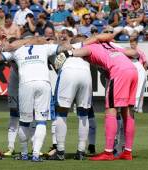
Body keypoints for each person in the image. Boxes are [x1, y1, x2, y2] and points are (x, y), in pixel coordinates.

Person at [55, 33, 139, 161]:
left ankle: (108, 152)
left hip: (119, 72)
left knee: (111, 109)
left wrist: (68, 54)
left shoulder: (90, 46)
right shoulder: (111, 45)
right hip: (132, 70)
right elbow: (133, 53)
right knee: (128, 111)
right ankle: (127, 152)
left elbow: (82, 51)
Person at [0, 38, 67, 162]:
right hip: (43, 83)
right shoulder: (45, 47)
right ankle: (36, 154)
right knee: (41, 121)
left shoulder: (16, 51)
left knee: (24, 121)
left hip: (26, 84)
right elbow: (64, 47)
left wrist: (4, 47)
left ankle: (24, 153)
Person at [47, 35, 93, 161]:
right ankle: (81, 151)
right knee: (83, 114)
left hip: (68, 73)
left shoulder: (65, 48)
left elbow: (57, 65)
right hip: (86, 75)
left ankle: (60, 151)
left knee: (61, 112)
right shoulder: (87, 47)